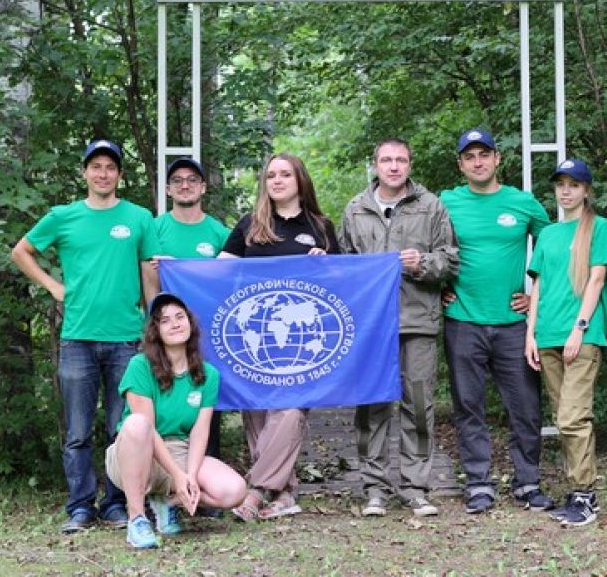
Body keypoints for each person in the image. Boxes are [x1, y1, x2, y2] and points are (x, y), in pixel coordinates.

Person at [10, 139, 160, 533]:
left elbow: (149, 274)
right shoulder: (63, 216)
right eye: (96, 166)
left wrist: (153, 325)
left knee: (121, 428)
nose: (103, 173)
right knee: (77, 431)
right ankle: (80, 506)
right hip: (77, 338)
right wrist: (53, 287)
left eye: (111, 167)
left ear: (120, 175)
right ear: (85, 173)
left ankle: (115, 504)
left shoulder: (139, 218)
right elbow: (21, 252)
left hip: (127, 339)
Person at [338, 138, 458, 519]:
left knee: (418, 404)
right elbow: (345, 267)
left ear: (410, 164)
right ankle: (374, 487)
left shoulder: (431, 206)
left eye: (400, 160)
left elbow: (451, 261)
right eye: (386, 160)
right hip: (372, 325)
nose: (393, 166)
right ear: (375, 164)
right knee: (372, 405)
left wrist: (421, 263)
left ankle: (416, 487)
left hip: (417, 320)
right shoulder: (356, 209)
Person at [218, 153, 341, 521]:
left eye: (285, 174)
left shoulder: (320, 226)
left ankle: (255, 491)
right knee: (256, 411)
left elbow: (343, 281)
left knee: (289, 410)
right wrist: (177, 267)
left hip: (302, 337)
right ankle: (284, 495)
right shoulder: (250, 225)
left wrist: (326, 262)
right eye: (271, 175)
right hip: (254, 334)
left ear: (299, 180)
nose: (277, 180)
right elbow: (220, 270)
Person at [439, 128, 552, 515]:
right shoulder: (446, 203)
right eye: (469, 157)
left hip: (513, 324)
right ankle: (479, 483)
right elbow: (427, 252)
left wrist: (534, 296)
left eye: (483, 154)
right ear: (461, 164)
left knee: (524, 406)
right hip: (462, 320)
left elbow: (555, 252)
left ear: (497, 158)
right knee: (468, 405)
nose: (477, 162)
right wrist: (439, 288)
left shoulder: (523, 203)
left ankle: (528, 482)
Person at [105, 292, 247, 549]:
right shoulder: (140, 366)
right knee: (137, 424)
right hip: (138, 453)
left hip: (180, 451)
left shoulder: (208, 374)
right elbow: (145, 427)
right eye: (165, 320)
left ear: (190, 324)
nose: (175, 324)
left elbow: (200, 431)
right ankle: (136, 519)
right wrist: (176, 474)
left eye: (180, 317)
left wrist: (190, 476)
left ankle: (168, 504)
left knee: (234, 491)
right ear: (155, 331)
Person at [523, 158, 607, 526]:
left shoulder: (600, 227)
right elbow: (539, 287)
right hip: (546, 335)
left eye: (574, 184)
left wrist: (579, 328)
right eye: (561, 184)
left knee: (573, 417)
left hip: (581, 336)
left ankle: (585, 496)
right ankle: (576, 491)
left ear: (586, 190)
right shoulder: (547, 234)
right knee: (564, 420)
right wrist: (530, 334)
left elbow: (597, 280)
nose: (566, 190)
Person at [152, 157, 231, 464]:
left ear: (203, 187)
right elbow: (141, 275)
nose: (185, 185)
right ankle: (163, 480)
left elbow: (234, 280)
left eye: (192, 180)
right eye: (178, 180)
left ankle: (205, 480)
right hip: (166, 333)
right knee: (165, 402)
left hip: (208, 333)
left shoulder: (219, 233)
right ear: (169, 189)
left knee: (206, 404)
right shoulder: (155, 228)